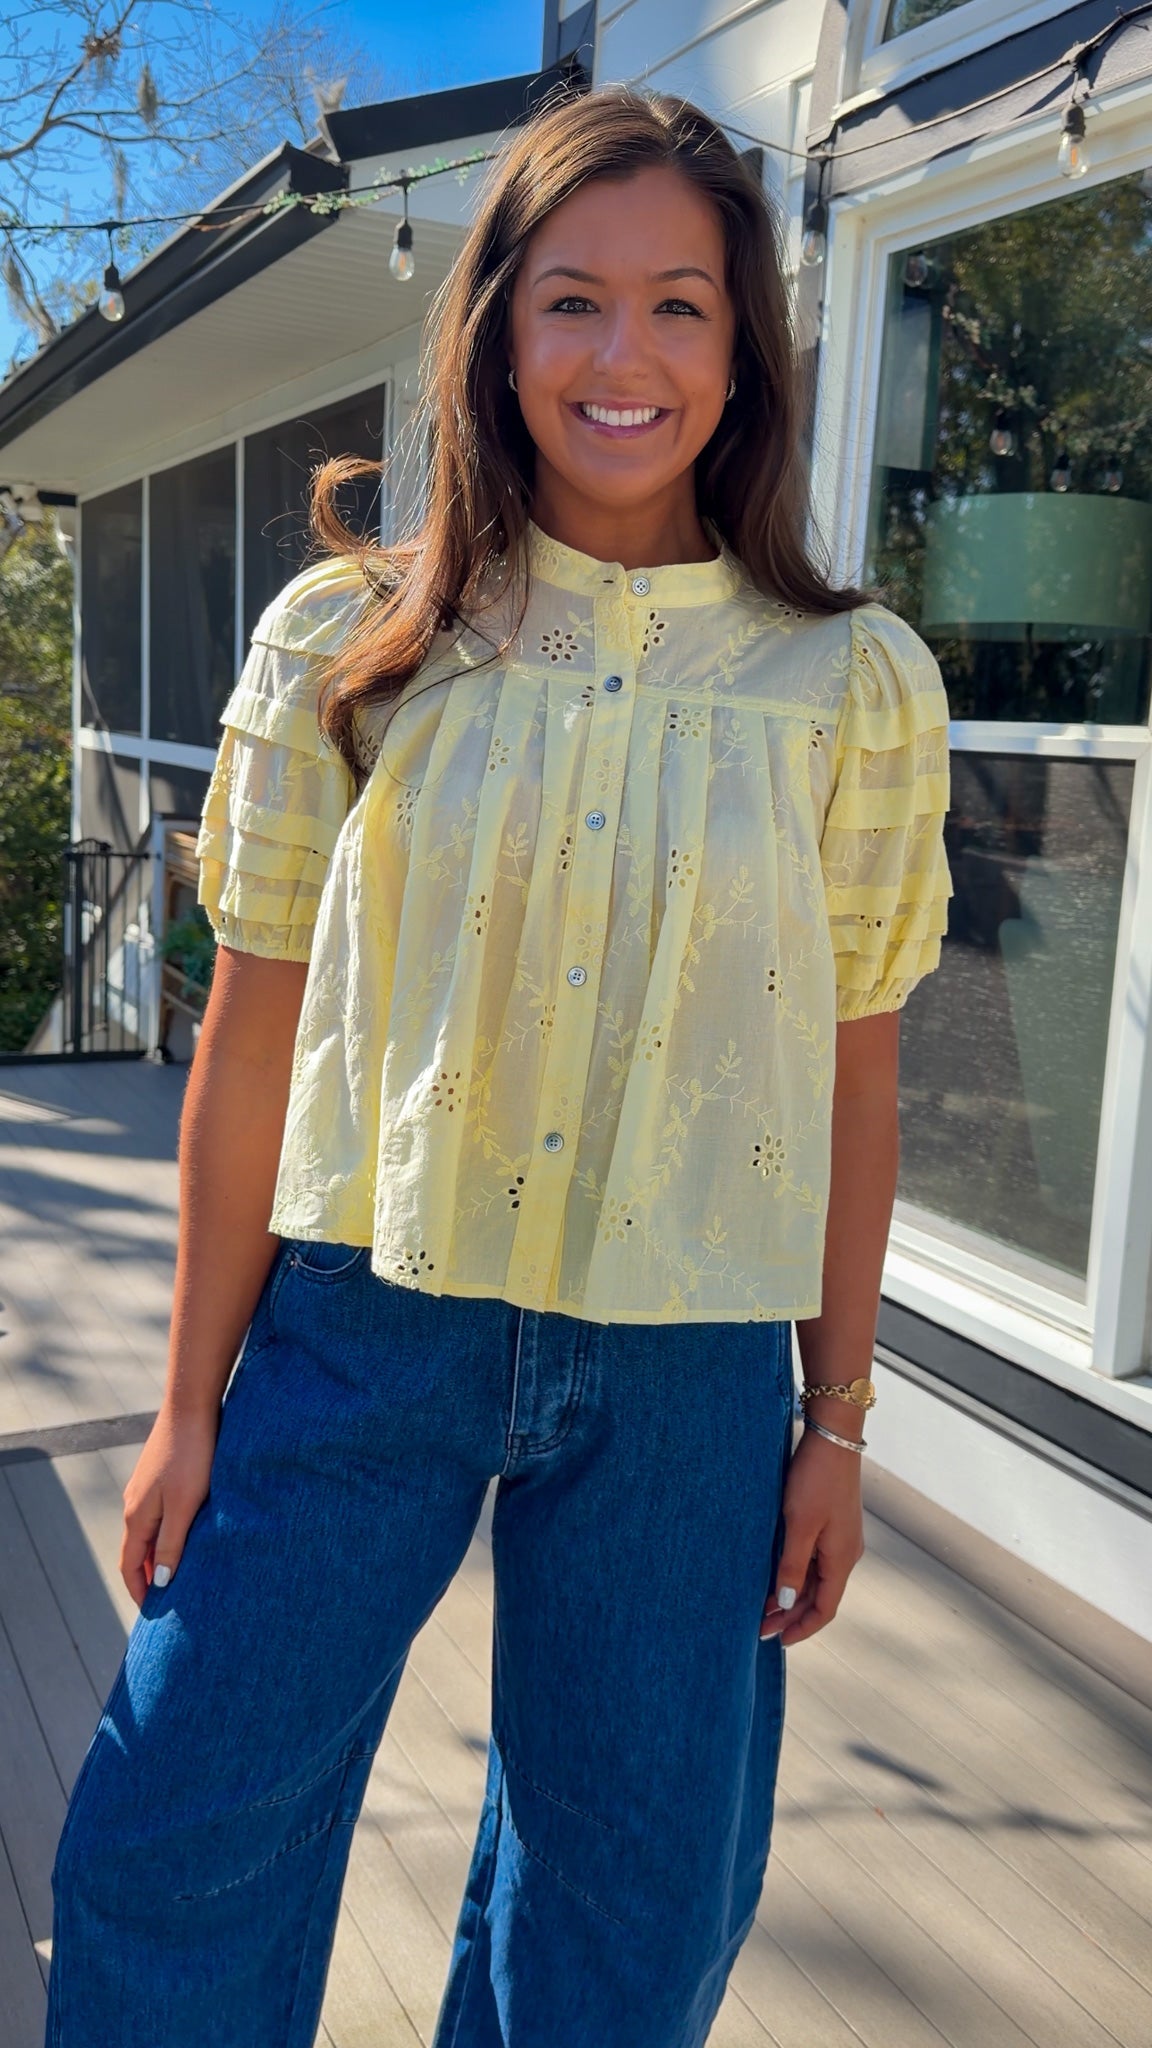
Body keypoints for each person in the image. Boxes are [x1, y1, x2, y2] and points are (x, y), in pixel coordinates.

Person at [45, 83, 951, 2048]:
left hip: (694, 1370)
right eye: (573, 302)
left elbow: (854, 1073)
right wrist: (190, 1401)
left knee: (621, 1934)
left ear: (747, 345)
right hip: (363, 1325)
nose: (623, 357)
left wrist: (836, 1420)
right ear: (496, 329)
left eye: (681, 306)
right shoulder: (349, 648)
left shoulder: (851, 689)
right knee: (171, 1830)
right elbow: (253, 1033)